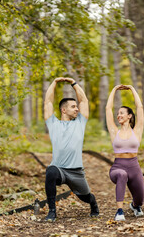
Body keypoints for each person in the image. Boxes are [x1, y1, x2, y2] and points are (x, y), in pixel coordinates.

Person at [44, 77, 99, 222]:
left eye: (76, 106)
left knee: (85, 197)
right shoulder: (53, 123)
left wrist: (74, 83)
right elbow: (48, 102)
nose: (77, 109)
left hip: (76, 171)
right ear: (63, 109)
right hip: (59, 169)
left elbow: (84, 102)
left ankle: (93, 203)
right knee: (50, 171)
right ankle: (52, 212)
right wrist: (54, 83)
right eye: (73, 106)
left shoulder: (80, 122)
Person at [105, 84, 144, 221]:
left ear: (129, 116)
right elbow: (107, 109)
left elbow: (139, 108)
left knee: (140, 199)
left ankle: (135, 206)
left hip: (134, 166)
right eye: (118, 114)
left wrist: (133, 89)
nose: (118, 115)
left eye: (121, 113)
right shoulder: (114, 131)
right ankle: (119, 211)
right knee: (121, 175)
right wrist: (114, 89)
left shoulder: (137, 131)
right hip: (118, 166)